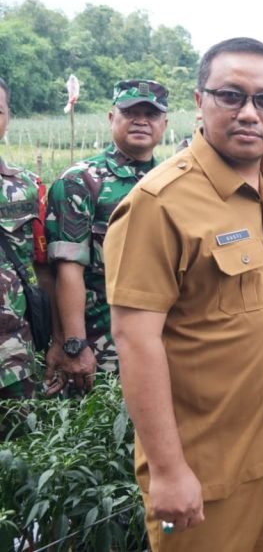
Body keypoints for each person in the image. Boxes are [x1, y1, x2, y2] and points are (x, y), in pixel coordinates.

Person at [104, 37, 263, 551]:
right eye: (231, 96)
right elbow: (136, 341)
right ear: (200, 101)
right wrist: (169, 471)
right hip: (207, 469)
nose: (249, 113)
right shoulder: (159, 204)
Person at [45, 79, 169, 394]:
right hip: (103, 347)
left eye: (151, 114)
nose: (141, 121)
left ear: (165, 124)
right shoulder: (81, 181)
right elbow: (68, 270)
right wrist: (75, 345)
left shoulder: (173, 181)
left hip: (166, 341)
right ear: (112, 118)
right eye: (130, 112)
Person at [0, 76, 49, 402]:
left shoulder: (29, 188)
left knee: (22, 433)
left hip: (13, 359)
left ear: (8, 118)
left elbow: (44, 268)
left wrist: (60, 342)